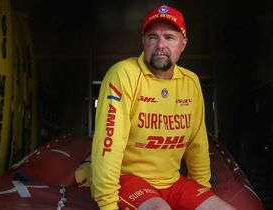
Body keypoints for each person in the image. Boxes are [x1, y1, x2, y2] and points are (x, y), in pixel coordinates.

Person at [91, 4, 236, 210]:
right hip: (129, 180)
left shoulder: (191, 82)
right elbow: (109, 145)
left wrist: (202, 191)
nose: (160, 44)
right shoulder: (123, 74)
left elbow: (198, 145)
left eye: (169, 37)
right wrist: (107, 204)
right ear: (143, 41)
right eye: (152, 37)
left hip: (172, 182)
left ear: (183, 43)